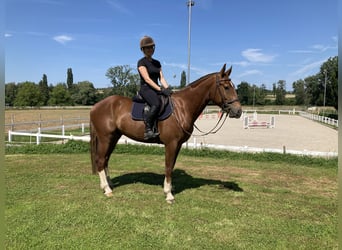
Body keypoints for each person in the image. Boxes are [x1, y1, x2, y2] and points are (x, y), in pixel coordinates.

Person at [137, 36, 172, 140]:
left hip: (156, 88)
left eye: (151, 47)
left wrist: (168, 89)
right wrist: (160, 89)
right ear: (143, 50)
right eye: (147, 48)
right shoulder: (141, 62)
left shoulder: (157, 63)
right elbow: (147, 79)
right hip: (146, 88)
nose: (150, 49)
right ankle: (148, 130)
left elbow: (161, 78)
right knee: (156, 103)